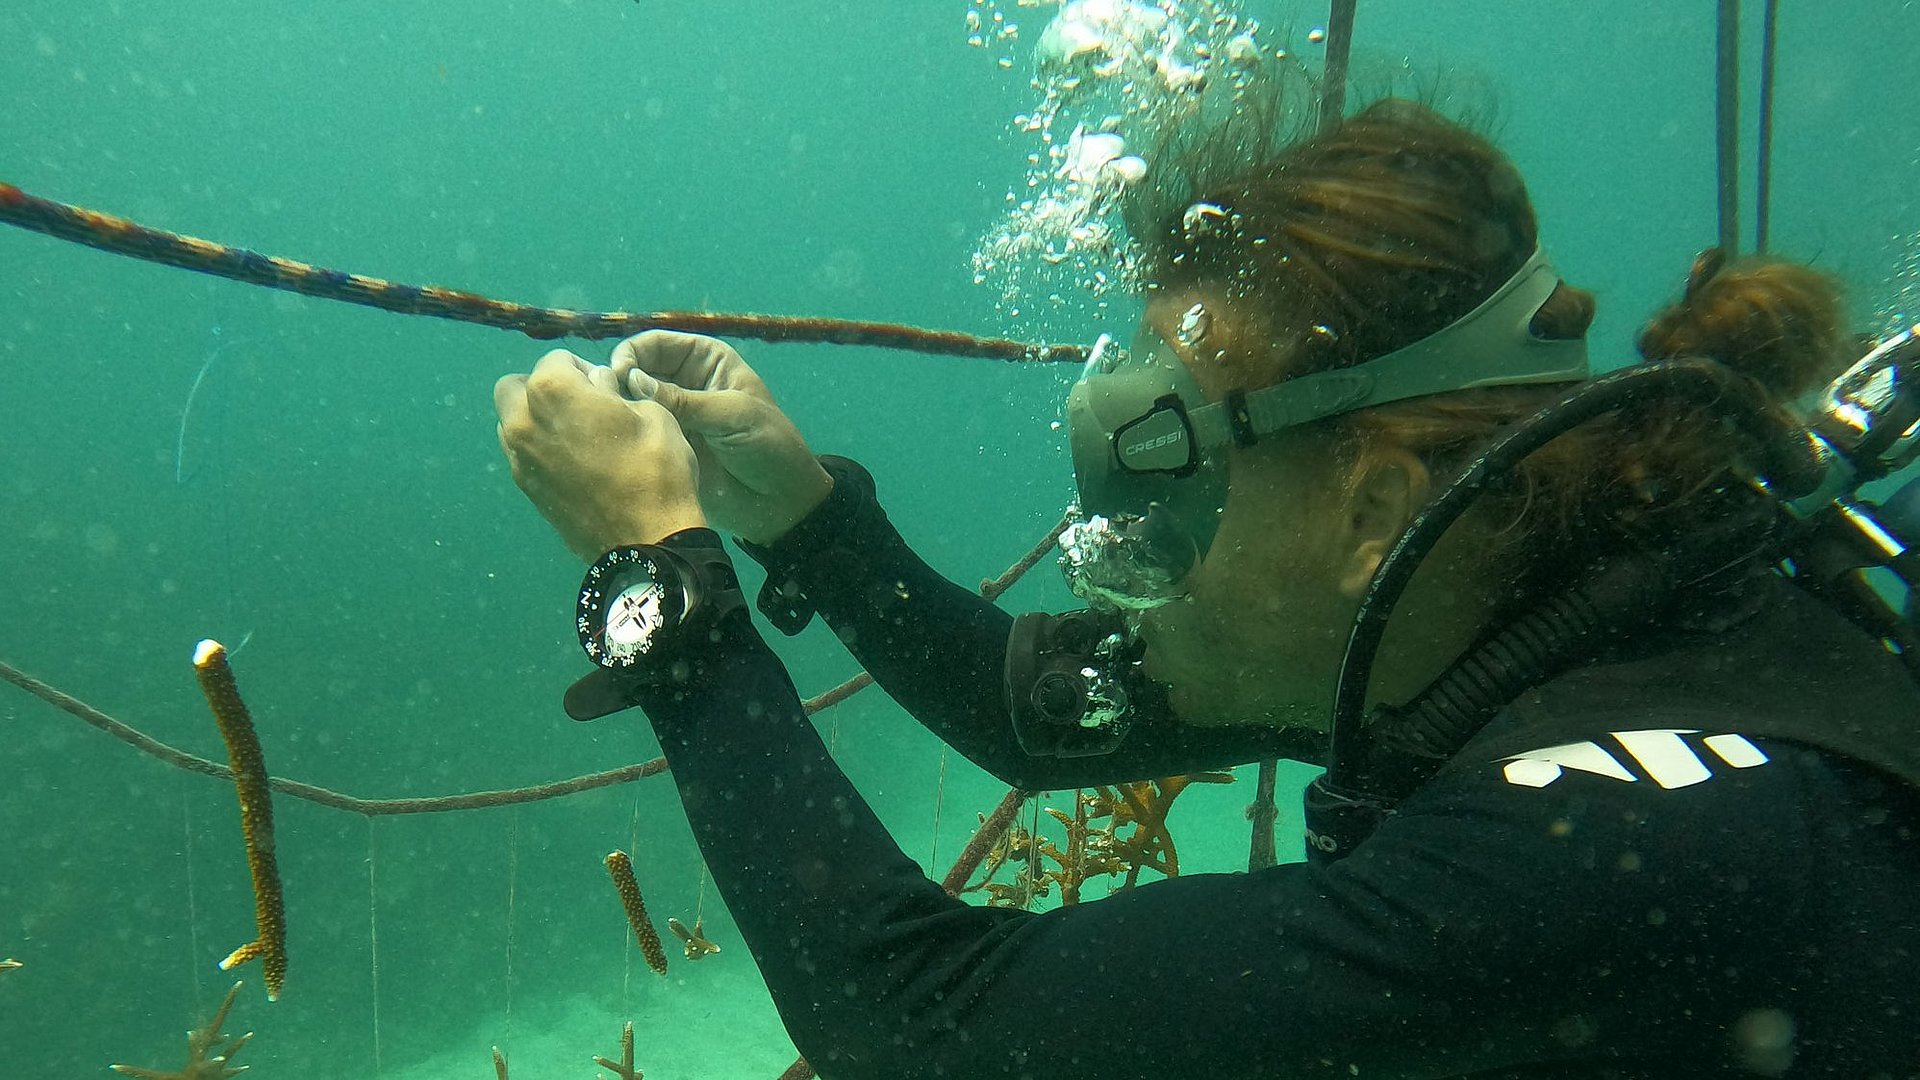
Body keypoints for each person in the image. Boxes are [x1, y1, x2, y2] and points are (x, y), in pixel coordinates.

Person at [493, 100, 1920, 1078]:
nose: (1112, 548)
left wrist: (661, 586)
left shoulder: (1623, 846)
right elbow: (1036, 712)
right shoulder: (1522, 596)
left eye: (1168, 481)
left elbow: (920, 1031)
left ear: (1369, 502)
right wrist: (804, 519)